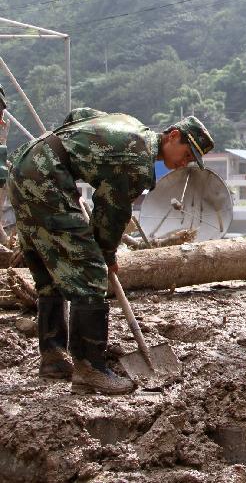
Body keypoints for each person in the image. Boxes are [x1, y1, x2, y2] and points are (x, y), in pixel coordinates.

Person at [7, 109, 214, 394]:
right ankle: (90, 369)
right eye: (187, 154)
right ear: (173, 135)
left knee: (50, 268)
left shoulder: (130, 123)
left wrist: (69, 162)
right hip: (46, 178)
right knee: (90, 272)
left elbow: (78, 115)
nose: (183, 164)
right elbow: (112, 212)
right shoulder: (138, 162)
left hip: (25, 165)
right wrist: (105, 255)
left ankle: (54, 358)